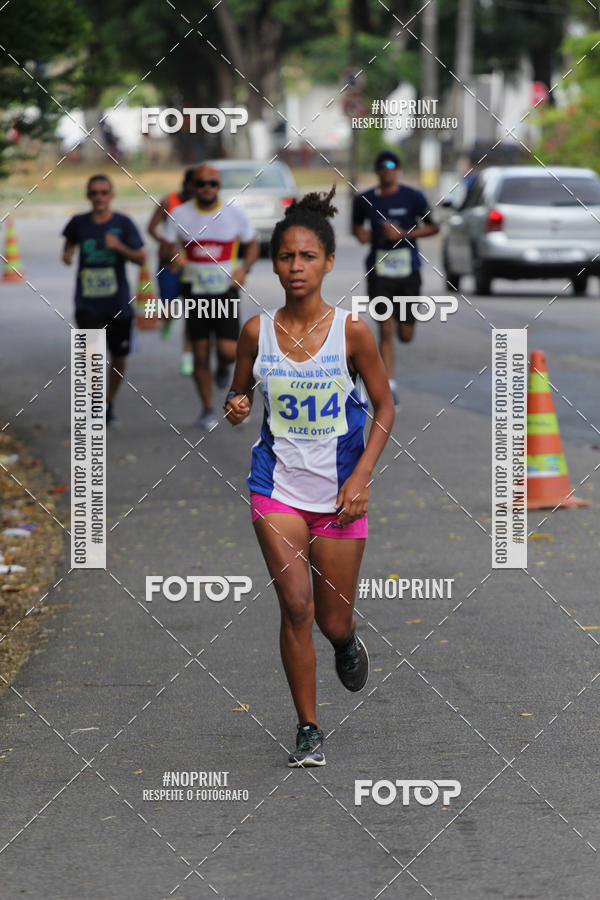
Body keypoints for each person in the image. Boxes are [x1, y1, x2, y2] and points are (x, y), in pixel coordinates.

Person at [225, 188, 395, 767]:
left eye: (307, 256)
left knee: (331, 618)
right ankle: (308, 727)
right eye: (286, 257)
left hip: (341, 495)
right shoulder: (257, 332)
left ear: (327, 263)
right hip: (276, 489)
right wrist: (237, 405)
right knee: (295, 605)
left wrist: (362, 477)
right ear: (274, 265)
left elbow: (384, 407)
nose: (296, 266)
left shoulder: (352, 333)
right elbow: (239, 392)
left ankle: (345, 641)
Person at [162, 163, 259, 429]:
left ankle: (224, 367)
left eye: (212, 183)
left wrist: (244, 269)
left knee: (228, 350)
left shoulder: (234, 214)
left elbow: (252, 245)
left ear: (219, 186)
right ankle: (207, 408)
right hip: (195, 291)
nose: (207, 188)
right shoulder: (179, 214)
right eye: (201, 183)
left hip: (225, 292)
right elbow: (166, 248)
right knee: (200, 351)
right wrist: (174, 255)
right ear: (193, 186)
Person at [352, 150, 439, 406]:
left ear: (398, 170)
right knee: (385, 328)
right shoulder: (364, 200)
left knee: (405, 334)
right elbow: (357, 228)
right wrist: (365, 235)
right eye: (382, 167)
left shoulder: (414, 197)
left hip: (408, 272)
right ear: (377, 171)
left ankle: (406, 328)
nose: (387, 170)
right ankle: (389, 386)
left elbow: (433, 227)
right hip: (379, 272)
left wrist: (405, 234)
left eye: (391, 166)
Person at [62, 174, 145, 424]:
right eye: (94, 192)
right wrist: (68, 254)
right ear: (88, 196)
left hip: (117, 303)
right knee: (90, 354)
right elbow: (69, 245)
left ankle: (109, 401)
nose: (98, 197)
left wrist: (118, 247)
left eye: (103, 192)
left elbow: (141, 258)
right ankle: (96, 400)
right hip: (87, 302)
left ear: (112, 195)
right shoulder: (78, 223)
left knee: (118, 357)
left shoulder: (123, 223)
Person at [147, 168, 195, 375]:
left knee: (193, 315)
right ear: (185, 185)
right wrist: (167, 243)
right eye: (195, 186)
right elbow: (151, 228)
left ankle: (187, 355)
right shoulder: (169, 201)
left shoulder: (203, 206)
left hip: (192, 267)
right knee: (169, 311)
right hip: (168, 264)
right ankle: (166, 321)